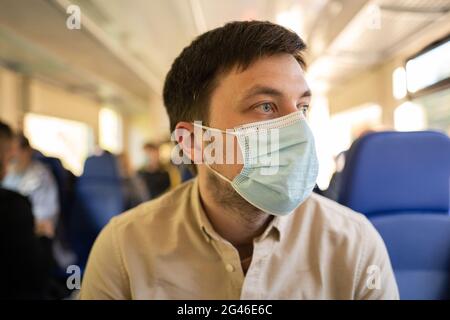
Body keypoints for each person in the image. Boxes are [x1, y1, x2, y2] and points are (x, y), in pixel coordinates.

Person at [80, 21, 398, 299]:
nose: (299, 129)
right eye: (265, 106)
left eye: (302, 108)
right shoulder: (124, 248)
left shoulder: (354, 243)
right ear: (193, 142)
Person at [0, 121, 49, 299]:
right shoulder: (13, 206)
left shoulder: (41, 176)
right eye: (9, 151)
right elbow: (32, 278)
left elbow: (46, 216)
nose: (13, 156)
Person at [2, 134, 59, 238]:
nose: (11, 156)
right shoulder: (6, 174)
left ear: (27, 152)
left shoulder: (41, 177)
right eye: (7, 150)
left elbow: (46, 221)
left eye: (14, 150)